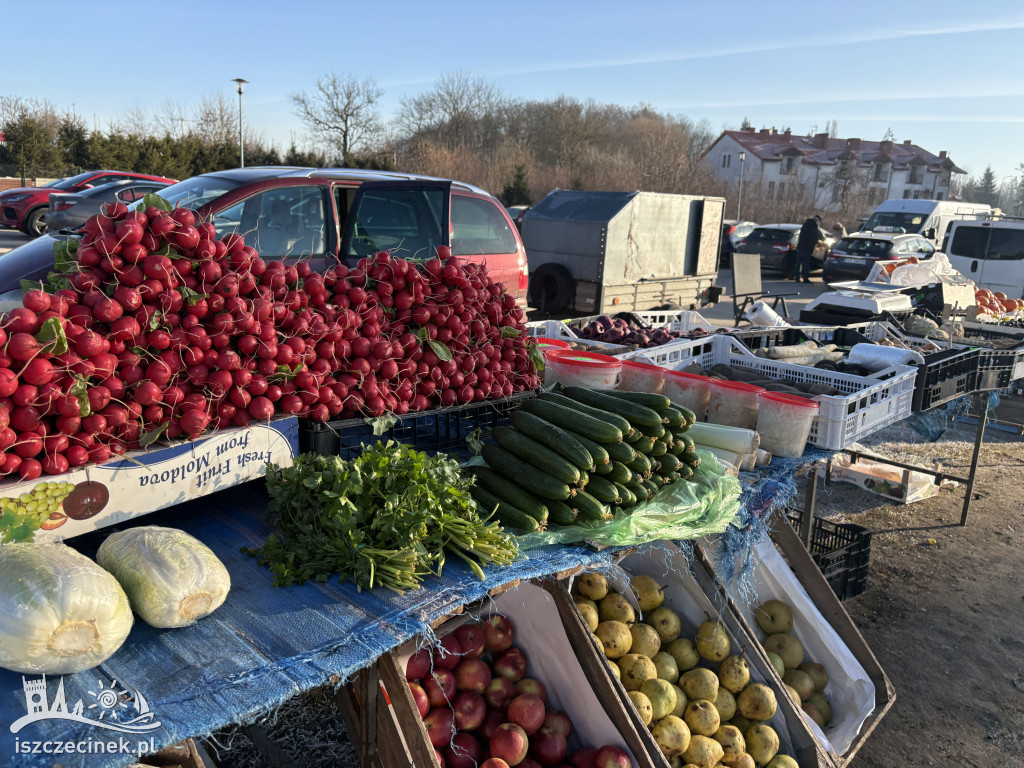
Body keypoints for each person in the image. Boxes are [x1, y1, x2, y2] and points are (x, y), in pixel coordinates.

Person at [795, 214, 824, 283]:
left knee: (798, 263)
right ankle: (805, 278)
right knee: (806, 264)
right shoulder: (814, 226)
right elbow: (815, 236)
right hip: (807, 248)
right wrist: (818, 241)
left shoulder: (805, 225)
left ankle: (797, 277)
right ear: (817, 221)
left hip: (800, 247)